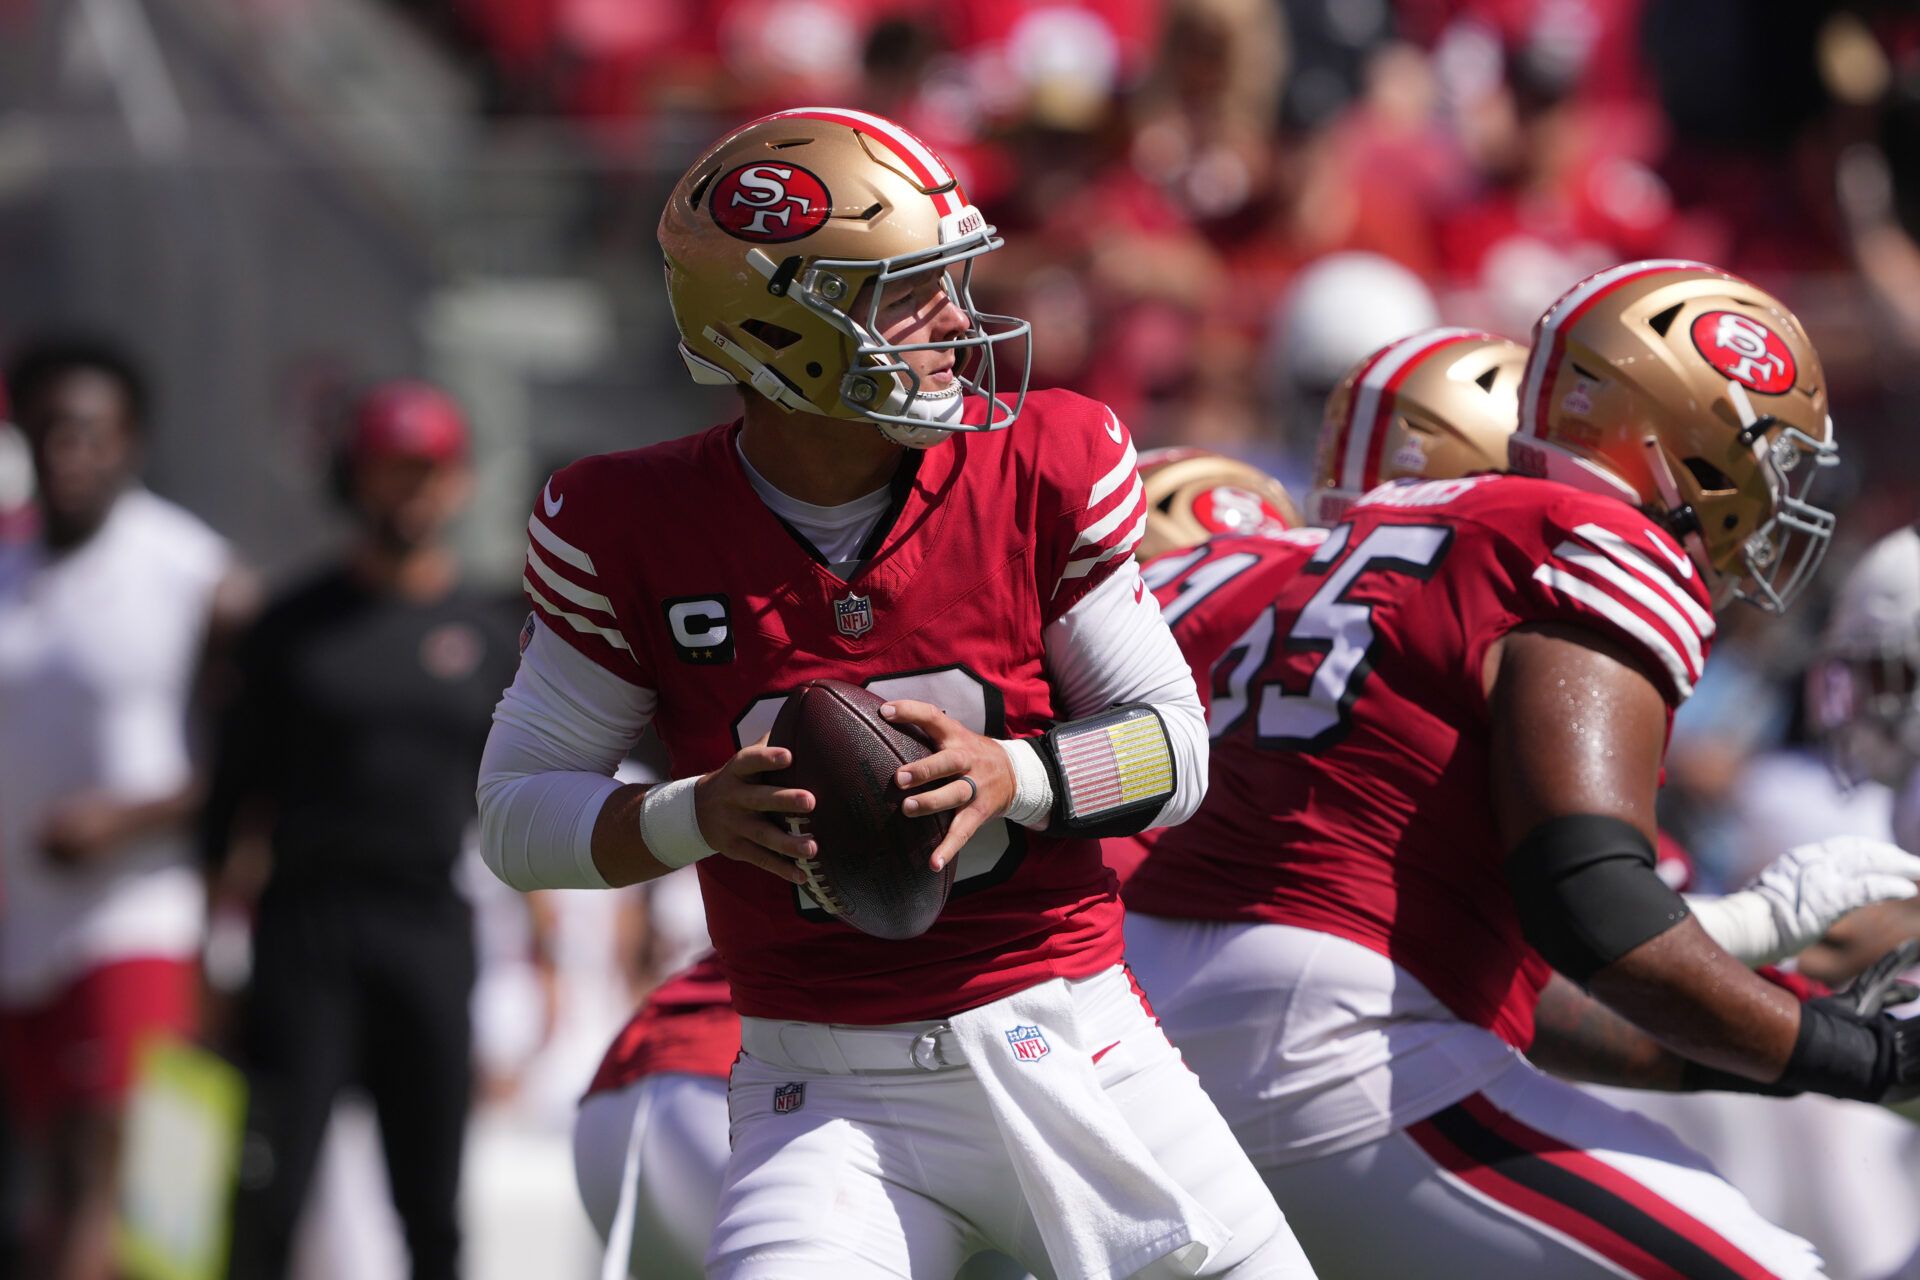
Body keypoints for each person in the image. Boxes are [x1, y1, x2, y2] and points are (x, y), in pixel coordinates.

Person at [478, 107, 1313, 1279]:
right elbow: (518, 813)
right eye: (909, 293)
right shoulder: (628, 525)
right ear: (779, 321)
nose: (956, 321)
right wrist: (693, 813)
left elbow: (1177, 754)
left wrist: (1014, 774)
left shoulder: (1040, 463)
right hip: (825, 1093)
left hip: (1080, 1045)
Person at [1123, 269, 1920, 1280]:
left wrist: (1808, 1041)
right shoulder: (1594, 540)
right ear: (1678, 435)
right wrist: (1863, 1053)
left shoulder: (1351, 537)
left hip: (1147, 1028)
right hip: (1334, 1037)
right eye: (1764, 453)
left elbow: (1541, 987)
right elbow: (1592, 904)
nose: (1773, 495)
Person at [205, 381, 522, 1280]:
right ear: (357, 480)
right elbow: (229, 802)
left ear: (457, 484)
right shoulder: (290, 627)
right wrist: (209, 952)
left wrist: (527, 963)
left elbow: (522, 796)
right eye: (391, 472)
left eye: (428, 473)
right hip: (306, 926)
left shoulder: (488, 634)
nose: (409, 494)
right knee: (273, 1190)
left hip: (428, 923)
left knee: (431, 1202)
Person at [0, 337, 252, 1280]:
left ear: (133, 441)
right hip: (27, 922)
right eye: (53, 432)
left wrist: (130, 818)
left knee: (113, 1169)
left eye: (94, 435)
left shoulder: (193, 574)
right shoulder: (11, 565)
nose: (73, 454)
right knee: (52, 1177)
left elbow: (256, 756)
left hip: (142, 913)